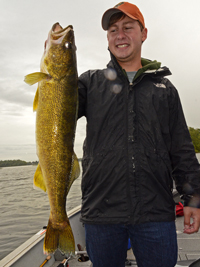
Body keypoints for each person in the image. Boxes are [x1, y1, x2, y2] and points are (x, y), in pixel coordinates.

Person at [78, 2, 200, 267]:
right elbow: (54, 112)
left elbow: (181, 148)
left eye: (127, 28)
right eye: (113, 30)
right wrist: (55, 69)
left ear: (143, 33)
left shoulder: (164, 89)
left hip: (155, 212)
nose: (120, 35)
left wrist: (192, 198)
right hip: (101, 212)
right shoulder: (89, 83)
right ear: (107, 38)